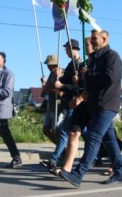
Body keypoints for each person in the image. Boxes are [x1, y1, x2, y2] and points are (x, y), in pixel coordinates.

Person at [59, 30, 122, 188]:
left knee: (94, 137)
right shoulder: (95, 58)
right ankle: (120, 172)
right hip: (96, 105)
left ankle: (77, 174)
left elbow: (109, 78)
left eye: (95, 39)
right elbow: (91, 82)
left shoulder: (112, 56)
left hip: (107, 104)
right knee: (109, 139)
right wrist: (83, 93)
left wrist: (89, 74)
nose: (93, 42)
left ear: (104, 39)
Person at [41, 39, 82, 170]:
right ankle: (56, 159)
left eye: (67, 49)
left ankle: (57, 159)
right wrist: (59, 78)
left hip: (77, 104)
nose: (66, 52)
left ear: (74, 49)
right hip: (70, 104)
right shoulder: (71, 65)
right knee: (67, 132)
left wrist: (61, 85)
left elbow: (79, 88)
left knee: (65, 131)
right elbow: (61, 83)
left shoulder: (81, 65)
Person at [41, 54, 63, 145]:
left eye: (50, 64)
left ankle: (62, 150)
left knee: (57, 130)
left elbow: (60, 92)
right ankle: (60, 148)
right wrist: (44, 85)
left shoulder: (60, 74)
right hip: (51, 105)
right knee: (46, 129)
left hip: (58, 106)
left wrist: (46, 86)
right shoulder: (51, 74)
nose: (48, 66)